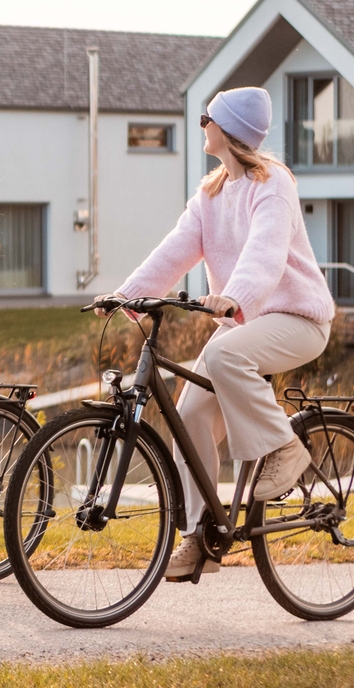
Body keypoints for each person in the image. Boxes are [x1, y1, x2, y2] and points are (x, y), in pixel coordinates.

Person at [107, 86, 334, 583]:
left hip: (297, 318)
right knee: (188, 415)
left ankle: (284, 447)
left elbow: (265, 250)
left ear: (226, 129)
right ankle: (200, 536)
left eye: (206, 118)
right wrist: (127, 295)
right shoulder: (211, 194)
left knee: (226, 354)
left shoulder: (272, 183)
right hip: (243, 324)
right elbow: (175, 249)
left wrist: (235, 296)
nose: (202, 125)